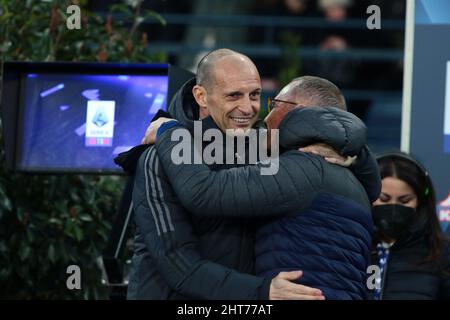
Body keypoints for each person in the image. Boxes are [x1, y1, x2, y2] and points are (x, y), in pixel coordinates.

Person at [147, 75, 381, 299]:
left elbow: (203, 192)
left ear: (297, 110)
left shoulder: (300, 169)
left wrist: (171, 134)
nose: (265, 117)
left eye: (274, 105)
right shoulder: (356, 178)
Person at [127, 49, 326, 300]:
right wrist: (262, 291)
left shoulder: (258, 147)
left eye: (254, 95)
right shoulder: (157, 158)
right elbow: (179, 266)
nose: (247, 108)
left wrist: (354, 153)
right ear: (200, 96)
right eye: (234, 96)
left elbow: (336, 127)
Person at [370, 152, 450, 299]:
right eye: (384, 199)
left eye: (404, 201)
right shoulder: (352, 246)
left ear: (420, 201)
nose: (393, 208)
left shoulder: (441, 252)